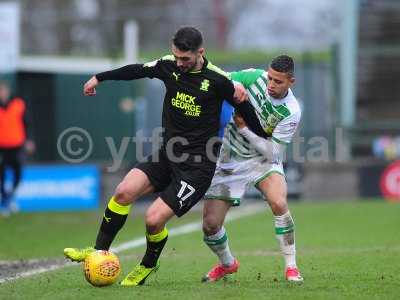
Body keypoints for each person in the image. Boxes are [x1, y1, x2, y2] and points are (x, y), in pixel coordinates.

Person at [64, 26, 268, 286]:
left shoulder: (217, 80)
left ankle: (148, 264)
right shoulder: (168, 65)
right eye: (177, 57)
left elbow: (244, 107)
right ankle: (98, 251)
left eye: (185, 59)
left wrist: (264, 136)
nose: (180, 63)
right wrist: (99, 78)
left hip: (197, 168)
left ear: (200, 52)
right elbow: (136, 70)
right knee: (123, 192)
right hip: (167, 154)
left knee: (152, 219)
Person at [201, 55, 303, 283]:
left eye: (278, 81)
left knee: (279, 202)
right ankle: (228, 264)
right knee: (210, 225)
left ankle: (291, 267)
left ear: (291, 82)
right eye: (270, 78)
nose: (271, 85)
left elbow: (274, 153)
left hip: (262, 161)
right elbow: (221, 81)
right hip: (229, 160)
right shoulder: (253, 76)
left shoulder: (291, 111)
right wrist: (233, 85)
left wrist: (245, 130)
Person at [0, 81, 35, 216]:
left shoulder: (18, 104)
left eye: (3, 91)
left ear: (8, 92)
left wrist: (29, 140)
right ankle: (5, 201)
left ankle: (10, 196)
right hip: (2, 147)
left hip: (17, 145)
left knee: (18, 174)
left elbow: (27, 123)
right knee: (2, 175)